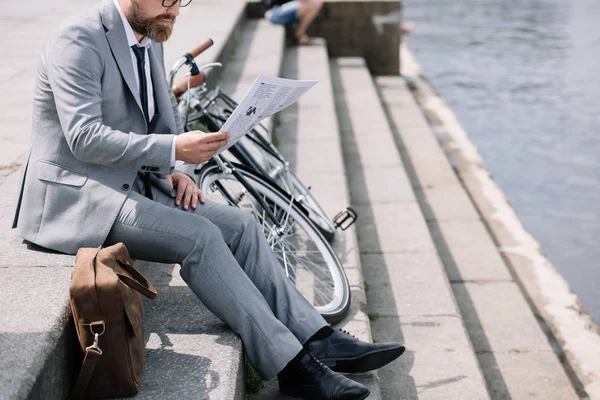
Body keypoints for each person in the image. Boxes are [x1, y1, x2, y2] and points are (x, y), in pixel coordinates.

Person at [11, 0, 405, 398]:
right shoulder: (78, 39)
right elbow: (84, 137)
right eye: (167, 1)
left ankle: (317, 338)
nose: (175, 12)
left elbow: (165, 120)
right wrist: (174, 150)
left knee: (241, 225)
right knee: (199, 236)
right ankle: (291, 365)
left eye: (180, 1)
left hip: (131, 181)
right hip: (80, 194)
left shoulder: (151, 31)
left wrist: (181, 169)